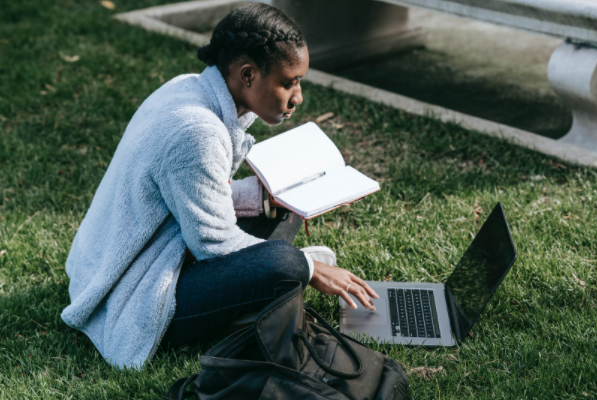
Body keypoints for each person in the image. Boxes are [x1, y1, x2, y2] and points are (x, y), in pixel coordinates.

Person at [60, 3, 378, 369]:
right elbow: (213, 244)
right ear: (247, 75)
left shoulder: (188, 87)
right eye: (289, 82)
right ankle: (273, 285)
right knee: (284, 262)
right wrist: (308, 268)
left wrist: (260, 199)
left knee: (282, 201)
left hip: (140, 252)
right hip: (135, 292)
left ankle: (268, 284)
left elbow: (195, 194)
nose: (298, 96)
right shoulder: (198, 132)